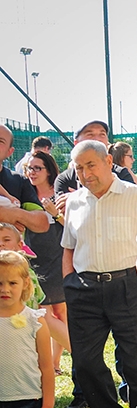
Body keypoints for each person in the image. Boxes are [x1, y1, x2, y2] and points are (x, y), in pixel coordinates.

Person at [61, 140, 137, 408]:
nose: (85, 174)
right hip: (83, 289)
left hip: (128, 287)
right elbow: (69, 247)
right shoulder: (74, 202)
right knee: (85, 362)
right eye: (79, 167)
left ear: (109, 161)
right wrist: (68, 283)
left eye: (91, 165)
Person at [0, 250, 55, 408]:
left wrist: (48, 406)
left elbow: (46, 367)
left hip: (29, 400)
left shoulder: (36, 321)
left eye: (12, 282)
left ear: (25, 284)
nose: (4, 289)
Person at [23, 150, 71, 371]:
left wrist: (55, 212)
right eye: (29, 168)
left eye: (37, 168)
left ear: (49, 170)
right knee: (43, 311)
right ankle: (56, 361)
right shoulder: (25, 193)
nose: (32, 172)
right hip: (32, 256)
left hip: (57, 255)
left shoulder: (59, 193)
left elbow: (72, 227)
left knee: (60, 312)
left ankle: (55, 361)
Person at [54, 120, 134, 195]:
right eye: (90, 134)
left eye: (102, 134)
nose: (97, 139)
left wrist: (79, 199)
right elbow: (62, 208)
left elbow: (127, 204)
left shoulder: (122, 174)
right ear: (76, 143)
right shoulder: (64, 180)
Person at [0, 125, 50, 236]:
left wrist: (15, 214)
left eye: (0, 141)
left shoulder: (19, 180)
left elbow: (42, 222)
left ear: (10, 152)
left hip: (11, 252)